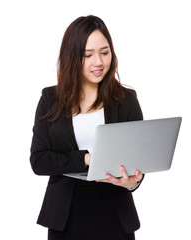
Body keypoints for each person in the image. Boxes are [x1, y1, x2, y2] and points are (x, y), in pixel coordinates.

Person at [30, 15, 144, 240]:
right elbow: (39, 160)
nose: (99, 62)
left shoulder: (126, 99)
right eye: (88, 55)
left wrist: (133, 182)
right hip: (65, 217)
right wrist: (87, 159)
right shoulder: (50, 99)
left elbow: (138, 158)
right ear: (71, 57)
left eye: (105, 52)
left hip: (116, 215)